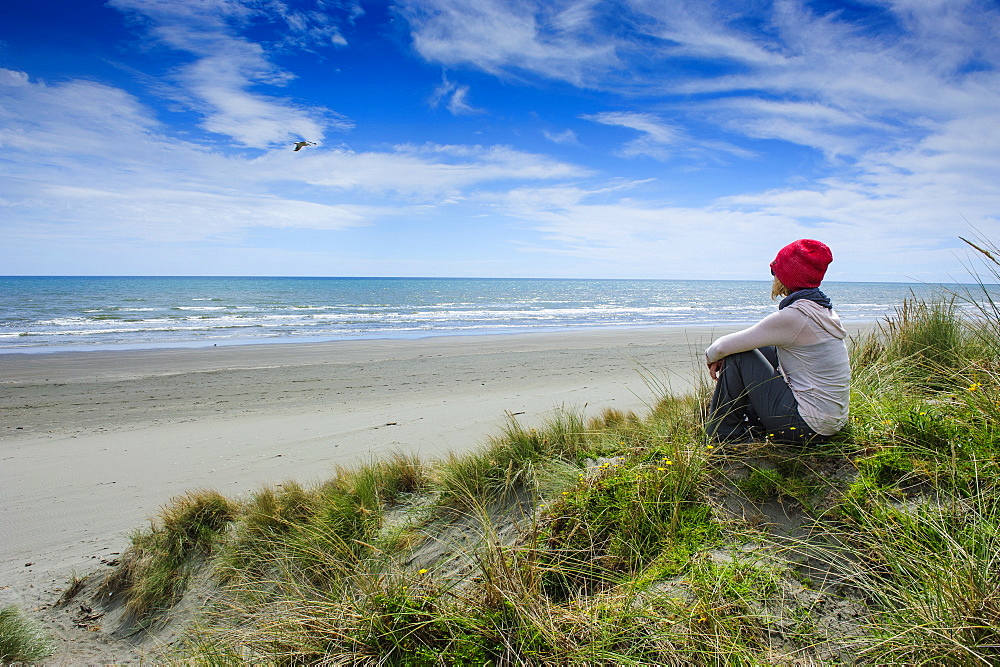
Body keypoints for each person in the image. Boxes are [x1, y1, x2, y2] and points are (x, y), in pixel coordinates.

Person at [704, 239, 850, 444]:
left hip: (807, 427)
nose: (773, 278)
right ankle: (751, 422)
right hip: (828, 422)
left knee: (738, 355)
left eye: (776, 272)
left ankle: (724, 434)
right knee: (762, 348)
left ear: (787, 277)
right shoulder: (821, 309)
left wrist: (712, 357)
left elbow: (720, 347)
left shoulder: (796, 317)